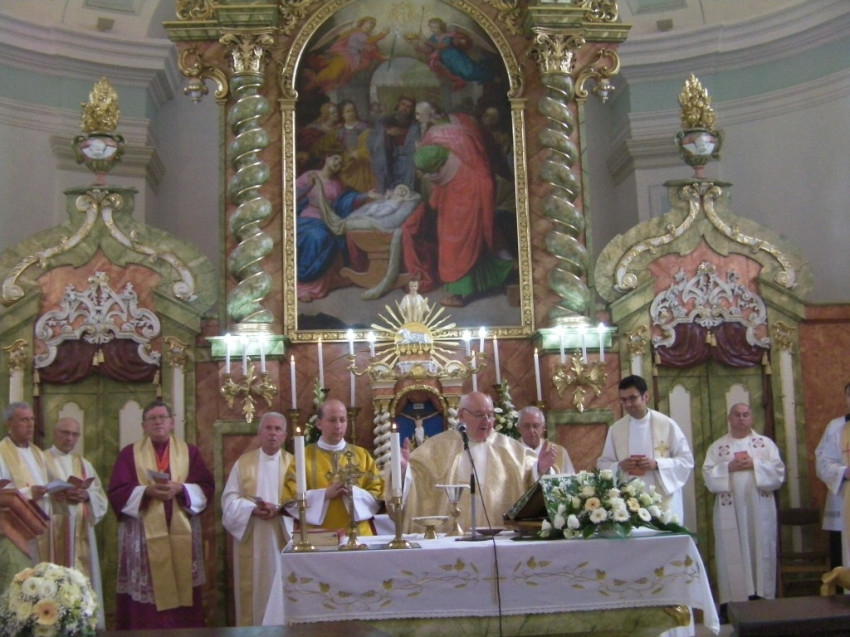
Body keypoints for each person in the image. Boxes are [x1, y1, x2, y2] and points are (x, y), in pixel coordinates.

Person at [107, 399, 214, 629]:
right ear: (143, 425)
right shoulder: (129, 454)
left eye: (163, 417)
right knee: (148, 593)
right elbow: (117, 492)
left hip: (181, 534)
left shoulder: (189, 452)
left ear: (172, 422)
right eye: (152, 419)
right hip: (144, 538)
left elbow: (206, 487)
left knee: (182, 583)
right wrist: (146, 491)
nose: (158, 422)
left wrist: (180, 489)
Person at [401, 391, 556, 532]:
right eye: (479, 415)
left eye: (490, 415)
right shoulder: (439, 446)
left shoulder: (511, 449)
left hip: (499, 533)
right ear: (462, 416)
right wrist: (403, 470)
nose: (486, 421)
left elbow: (532, 478)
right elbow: (416, 477)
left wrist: (541, 470)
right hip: (451, 535)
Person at [413, 101, 515, 308]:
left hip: (463, 191)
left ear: (430, 115)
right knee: (472, 238)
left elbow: (425, 162)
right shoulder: (460, 123)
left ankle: (459, 295)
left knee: (455, 241)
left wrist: (423, 157)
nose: (417, 119)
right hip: (470, 186)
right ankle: (504, 270)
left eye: (419, 115)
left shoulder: (437, 135)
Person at [702, 403, 785, 612]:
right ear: (729, 418)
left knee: (760, 548)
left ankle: (762, 601)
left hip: (759, 509)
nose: (741, 419)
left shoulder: (765, 444)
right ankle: (733, 606)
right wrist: (727, 467)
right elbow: (708, 476)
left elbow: (778, 473)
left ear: (752, 418)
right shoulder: (718, 447)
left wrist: (755, 465)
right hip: (730, 511)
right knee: (731, 553)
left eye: (745, 415)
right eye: (737, 415)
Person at [222, 412, 293, 626]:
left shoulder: (294, 464)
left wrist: (280, 510)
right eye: (268, 428)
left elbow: (304, 502)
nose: (272, 433)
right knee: (254, 591)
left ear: (285, 435)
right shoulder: (243, 463)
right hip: (252, 536)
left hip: (282, 537)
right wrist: (251, 509)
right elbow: (229, 500)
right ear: (260, 433)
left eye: (278, 429)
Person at [597, 375, 694, 522]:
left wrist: (657, 464)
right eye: (623, 400)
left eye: (632, 398)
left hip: (661, 501)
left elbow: (686, 461)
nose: (628, 404)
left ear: (645, 397)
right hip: (628, 503)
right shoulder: (616, 430)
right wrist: (620, 466)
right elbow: (603, 465)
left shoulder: (667, 425)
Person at [283, 399, 383, 536]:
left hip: (359, 535)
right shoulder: (303, 457)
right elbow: (291, 500)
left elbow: (377, 495)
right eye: (332, 420)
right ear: (319, 423)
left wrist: (354, 493)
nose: (338, 426)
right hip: (319, 536)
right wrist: (324, 495)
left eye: (343, 420)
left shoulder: (362, 455)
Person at [45, 417, 108, 627]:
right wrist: (55, 495)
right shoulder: (42, 460)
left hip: (82, 531)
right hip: (53, 532)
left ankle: (84, 624)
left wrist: (86, 495)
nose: (69, 438)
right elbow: (36, 493)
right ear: (55, 433)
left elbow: (100, 496)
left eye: (74, 434)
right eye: (65, 433)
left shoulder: (83, 464)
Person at [0, 402, 51, 561]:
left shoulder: (38, 453)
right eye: (24, 420)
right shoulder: (1, 452)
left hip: (40, 526)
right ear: (10, 424)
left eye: (32, 419)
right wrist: (29, 493)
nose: (30, 425)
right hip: (14, 528)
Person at [815, 381, 850, 569]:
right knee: (842, 556)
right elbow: (822, 462)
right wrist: (843, 472)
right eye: (849, 395)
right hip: (843, 497)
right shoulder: (835, 427)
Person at [369, 96, 421, 192]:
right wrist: (387, 134)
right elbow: (373, 144)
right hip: (390, 165)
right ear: (398, 105)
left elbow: (418, 145)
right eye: (403, 104)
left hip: (409, 167)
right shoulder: (384, 122)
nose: (405, 108)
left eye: (408, 107)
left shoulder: (415, 126)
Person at [517, 406, 575, 475]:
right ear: (519, 428)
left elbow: (571, 479)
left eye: (535, 426)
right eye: (526, 426)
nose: (531, 431)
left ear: (543, 428)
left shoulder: (559, 452)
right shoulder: (511, 452)